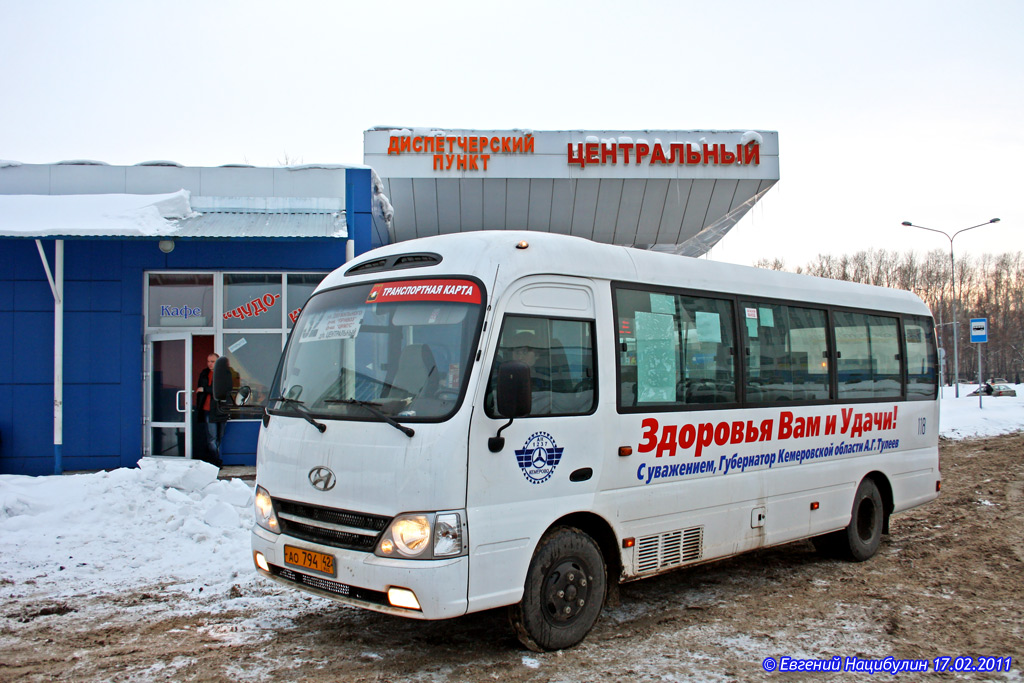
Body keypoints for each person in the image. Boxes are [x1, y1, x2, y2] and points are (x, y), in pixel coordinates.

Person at [196, 353, 225, 467]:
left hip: (220, 410)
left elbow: (221, 390)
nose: (210, 364)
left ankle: (214, 459)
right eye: (208, 361)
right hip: (208, 409)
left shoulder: (223, 374)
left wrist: (205, 389)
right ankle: (215, 462)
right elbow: (199, 390)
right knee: (212, 438)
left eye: (212, 361)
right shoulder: (204, 373)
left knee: (219, 436)